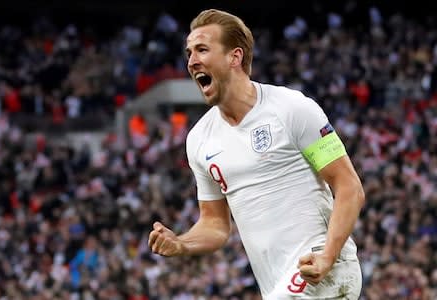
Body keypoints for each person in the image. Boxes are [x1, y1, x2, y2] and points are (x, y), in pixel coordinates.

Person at [148, 8, 365, 299]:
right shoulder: (199, 140)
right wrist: (182, 243)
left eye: (202, 49)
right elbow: (215, 225)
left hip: (320, 269)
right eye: (189, 53)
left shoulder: (291, 109)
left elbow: (349, 186)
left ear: (234, 57)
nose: (191, 61)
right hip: (276, 284)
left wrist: (327, 256)